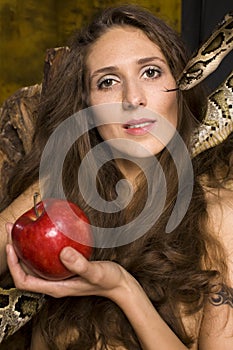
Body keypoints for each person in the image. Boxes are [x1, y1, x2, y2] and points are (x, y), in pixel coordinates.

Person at [0, 4, 233, 350]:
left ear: (182, 83)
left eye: (151, 73)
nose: (132, 99)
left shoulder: (220, 214)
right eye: (108, 82)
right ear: (87, 107)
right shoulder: (59, 192)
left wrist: (122, 289)